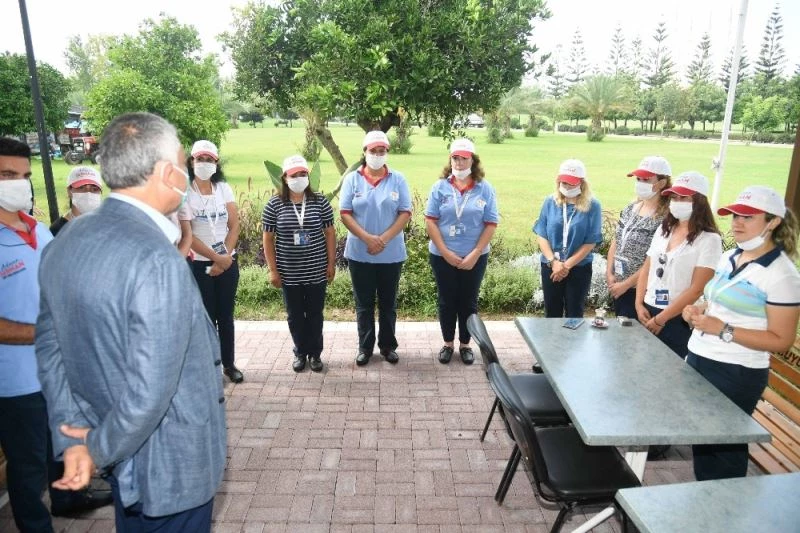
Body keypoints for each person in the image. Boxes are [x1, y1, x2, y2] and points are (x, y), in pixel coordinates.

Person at [35, 113, 226, 532]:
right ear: (164, 173)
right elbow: (151, 389)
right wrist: (93, 449)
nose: (186, 172)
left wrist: (72, 438)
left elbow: (50, 353)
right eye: (181, 161)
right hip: (171, 468)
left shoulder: (69, 239)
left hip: (125, 462)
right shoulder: (157, 259)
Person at [1, 138, 112, 532]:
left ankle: (67, 497)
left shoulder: (37, 231)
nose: (20, 184)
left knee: (63, 441)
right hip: (15, 382)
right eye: (7, 175)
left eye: (25, 176)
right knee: (28, 463)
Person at [683, 186, 800, 480]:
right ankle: (707, 501)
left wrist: (723, 329)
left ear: (773, 221)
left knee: (723, 451)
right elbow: (719, 301)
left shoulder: (782, 275)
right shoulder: (731, 256)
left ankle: (726, 514)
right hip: (701, 359)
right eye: (735, 215)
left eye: (748, 216)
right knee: (705, 444)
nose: (737, 222)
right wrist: (697, 308)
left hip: (735, 372)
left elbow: (781, 339)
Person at [340, 130, 412, 366]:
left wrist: (383, 239)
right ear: (365, 152)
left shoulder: (398, 179)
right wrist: (368, 238)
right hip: (360, 253)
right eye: (373, 151)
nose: (377, 155)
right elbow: (345, 214)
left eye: (382, 151)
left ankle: (388, 346)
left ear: (386, 153)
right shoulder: (352, 179)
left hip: (391, 254)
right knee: (364, 304)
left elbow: (405, 212)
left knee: (388, 304)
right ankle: (365, 347)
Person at [425, 139, 499, 364]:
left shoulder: (484, 188)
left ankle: (466, 344)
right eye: (455, 158)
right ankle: (448, 343)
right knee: (447, 300)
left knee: (468, 301)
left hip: (474, 256)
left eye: (464, 158)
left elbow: (491, 223)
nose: (459, 162)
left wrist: (476, 253)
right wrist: (446, 252)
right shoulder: (440, 187)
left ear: (473, 160)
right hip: (442, 255)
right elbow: (430, 221)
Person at [635, 171, 722, 357]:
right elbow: (647, 266)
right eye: (674, 197)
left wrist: (662, 319)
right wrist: (639, 303)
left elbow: (697, 288)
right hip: (648, 309)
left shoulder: (709, 240)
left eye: (683, 198)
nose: (676, 202)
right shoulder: (664, 228)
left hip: (676, 317)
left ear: (699, 202)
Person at [262, 155, 336, 373]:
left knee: (315, 314)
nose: (300, 178)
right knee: (294, 316)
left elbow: (330, 233)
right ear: (285, 178)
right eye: (295, 175)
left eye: (303, 174)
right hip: (289, 273)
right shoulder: (274, 205)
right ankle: (300, 352)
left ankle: (315, 354)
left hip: (316, 270)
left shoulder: (320, 201)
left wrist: (331, 264)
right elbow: (267, 238)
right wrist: (273, 270)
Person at [186, 140, 243, 383]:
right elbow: (188, 234)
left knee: (225, 316)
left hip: (227, 264)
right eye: (200, 159)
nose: (205, 164)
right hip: (201, 264)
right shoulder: (185, 192)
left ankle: (229, 365)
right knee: (207, 318)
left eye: (209, 160)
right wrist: (216, 258)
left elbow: (234, 225)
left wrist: (225, 257)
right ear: (192, 162)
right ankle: (210, 367)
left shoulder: (223, 189)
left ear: (216, 163)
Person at [533, 159, 602, 318]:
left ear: (581, 183)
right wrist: (553, 262)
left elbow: (590, 241)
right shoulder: (550, 202)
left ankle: (573, 343)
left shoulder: (593, 206)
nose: (565, 186)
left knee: (574, 313)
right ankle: (552, 344)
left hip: (579, 267)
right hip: (551, 266)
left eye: (570, 183)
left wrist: (566, 266)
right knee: (552, 312)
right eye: (562, 182)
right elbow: (542, 234)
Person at [606, 156, 672, 320]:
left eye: (646, 179)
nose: (640, 183)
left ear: (662, 183)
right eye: (638, 179)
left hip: (640, 290)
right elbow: (617, 239)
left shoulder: (666, 217)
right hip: (618, 285)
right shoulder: (631, 208)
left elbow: (655, 259)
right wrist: (609, 272)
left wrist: (627, 284)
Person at [49, 166, 103, 236]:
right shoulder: (58, 230)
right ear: (69, 191)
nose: (88, 193)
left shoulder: (106, 224)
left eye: (94, 189)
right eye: (81, 188)